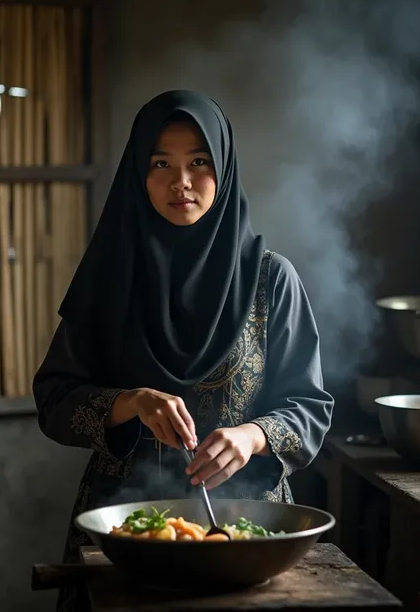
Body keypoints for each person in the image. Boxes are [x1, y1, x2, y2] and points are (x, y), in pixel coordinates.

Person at [33, 89, 334, 612]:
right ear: (137, 172)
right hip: (125, 531)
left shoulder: (270, 280)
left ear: (224, 166)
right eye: (160, 163)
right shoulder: (109, 281)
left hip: (246, 535)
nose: (181, 182)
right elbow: (54, 400)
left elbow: (310, 408)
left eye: (199, 162)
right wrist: (131, 403)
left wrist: (253, 435)